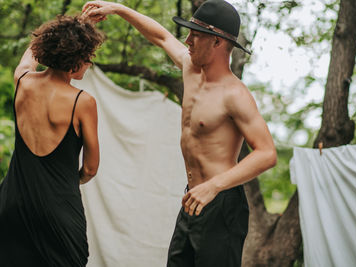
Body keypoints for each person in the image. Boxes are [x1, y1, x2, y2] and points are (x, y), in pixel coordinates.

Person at [83, 0, 277, 266]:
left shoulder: (235, 95)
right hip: (192, 198)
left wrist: (213, 186)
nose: (187, 40)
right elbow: (160, 36)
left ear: (217, 42)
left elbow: (267, 153)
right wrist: (118, 9)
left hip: (221, 203)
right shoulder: (190, 68)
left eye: (195, 35)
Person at [0, 14, 104, 266]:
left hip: (11, 204)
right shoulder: (82, 102)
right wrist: (67, 181)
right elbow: (90, 169)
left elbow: (31, 54)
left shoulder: (23, 81)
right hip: (57, 212)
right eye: (88, 58)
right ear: (75, 60)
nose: (89, 64)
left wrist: (71, 27)